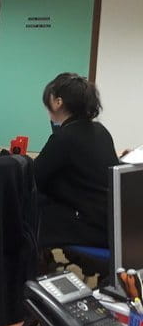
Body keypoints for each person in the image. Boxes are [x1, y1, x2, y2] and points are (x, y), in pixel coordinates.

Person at [35, 73, 118, 248]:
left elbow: (35, 177)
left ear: (58, 102)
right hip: (108, 223)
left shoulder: (64, 137)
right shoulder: (100, 131)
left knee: (28, 208)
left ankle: (33, 262)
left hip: (88, 226)